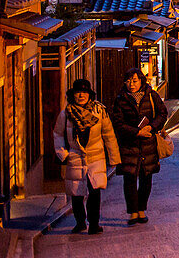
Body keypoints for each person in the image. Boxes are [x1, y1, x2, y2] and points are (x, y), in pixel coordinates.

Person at [53, 78, 120, 235]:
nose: (81, 96)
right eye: (78, 93)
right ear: (73, 95)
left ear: (90, 95)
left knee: (95, 192)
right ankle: (80, 222)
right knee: (76, 193)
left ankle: (94, 223)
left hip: (96, 157)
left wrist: (114, 157)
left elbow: (108, 134)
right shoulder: (66, 114)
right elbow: (57, 134)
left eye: (84, 92)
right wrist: (63, 154)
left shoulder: (99, 111)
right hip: (75, 157)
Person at [110, 67, 168, 226]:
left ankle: (141, 209)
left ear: (141, 80)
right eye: (128, 81)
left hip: (148, 143)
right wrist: (136, 132)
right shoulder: (121, 99)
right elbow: (118, 123)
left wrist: (152, 127)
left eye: (134, 81)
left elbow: (163, 113)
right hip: (129, 144)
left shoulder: (151, 95)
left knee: (146, 177)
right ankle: (133, 212)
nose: (131, 84)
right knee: (129, 179)